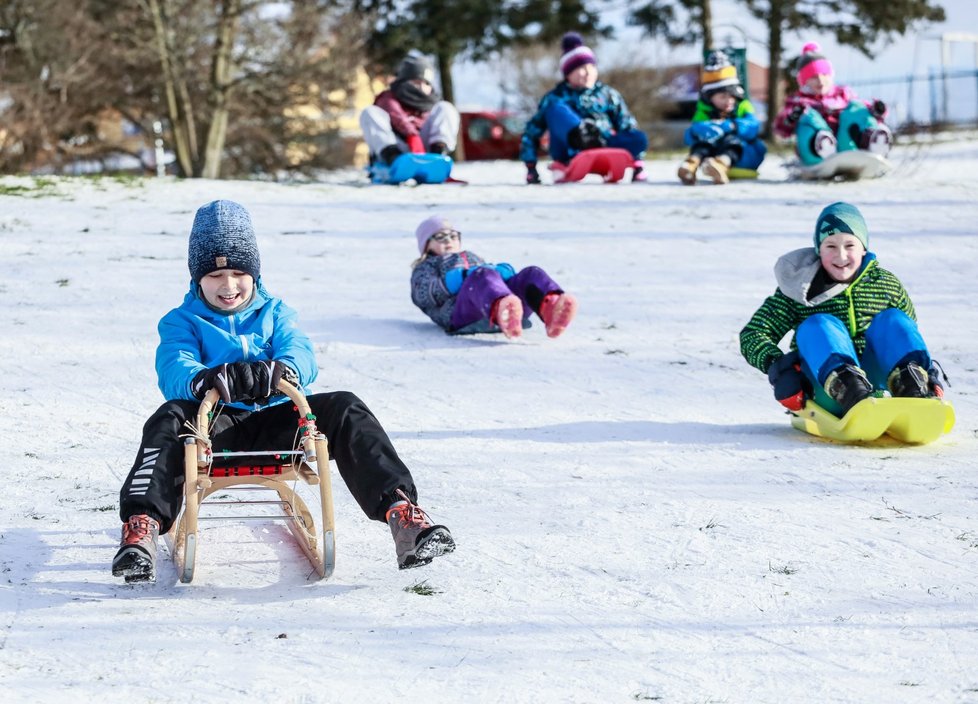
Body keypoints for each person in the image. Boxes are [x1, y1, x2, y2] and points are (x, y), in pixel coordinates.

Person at [112, 200, 455, 583]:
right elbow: (174, 365)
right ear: (197, 278)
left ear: (255, 274)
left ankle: (402, 514)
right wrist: (205, 379)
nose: (228, 286)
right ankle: (142, 526)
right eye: (214, 275)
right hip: (213, 431)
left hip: (281, 425)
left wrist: (283, 370)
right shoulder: (181, 321)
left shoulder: (276, 312)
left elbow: (301, 353)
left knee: (345, 406)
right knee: (169, 416)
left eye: (239, 273)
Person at [740, 202, 946, 418]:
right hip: (823, 388)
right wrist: (780, 368)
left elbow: (908, 334)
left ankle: (914, 390)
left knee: (894, 320)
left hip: (885, 386)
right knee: (818, 325)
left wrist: (928, 372)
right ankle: (850, 391)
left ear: (864, 248)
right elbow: (754, 334)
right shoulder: (799, 289)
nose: (841, 256)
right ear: (818, 249)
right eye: (830, 246)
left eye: (850, 245)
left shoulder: (885, 284)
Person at [410, 214, 578, 340]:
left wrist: (504, 272)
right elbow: (422, 295)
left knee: (530, 273)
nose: (448, 240)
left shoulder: (470, 256)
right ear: (426, 245)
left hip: (493, 302)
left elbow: (490, 279)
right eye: (440, 237)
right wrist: (458, 279)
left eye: (453, 235)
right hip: (459, 313)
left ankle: (550, 307)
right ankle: (501, 310)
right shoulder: (425, 266)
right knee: (482, 275)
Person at [520, 32, 649, 184]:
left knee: (638, 137)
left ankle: (597, 143)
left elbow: (625, 122)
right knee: (555, 110)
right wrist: (531, 167)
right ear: (568, 74)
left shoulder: (607, 94)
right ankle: (581, 137)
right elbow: (532, 131)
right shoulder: (556, 97)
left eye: (592, 66)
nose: (588, 72)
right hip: (569, 149)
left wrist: (637, 162)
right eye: (581, 68)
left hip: (604, 145)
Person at [773, 42, 891, 166]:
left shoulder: (843, 94)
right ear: (804, 80)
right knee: (807, 116)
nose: (820, 80)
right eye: (813, 77)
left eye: (824, 75)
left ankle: (871, 141)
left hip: (846, 145)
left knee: (855, 107)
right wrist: (792, 118)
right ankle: (822, 144)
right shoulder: (798, 101)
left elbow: (862, 111)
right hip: (814, 155)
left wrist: (876, 111)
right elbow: (780, 128)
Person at [359, 52, 460, 173]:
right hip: (398, 145)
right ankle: (393, 159)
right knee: (369, 112)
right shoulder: (389, 98)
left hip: (424, 149)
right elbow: (394, 113)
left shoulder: (433, 104)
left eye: (426, 83)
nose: (422, 88)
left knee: (446, 108)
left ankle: (437, 157)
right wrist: (411, 135)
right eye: (417, 82)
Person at [678, 50, 767, 185]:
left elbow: (753, 126)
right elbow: (689, 137)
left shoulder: (743, 107)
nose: (729, 101)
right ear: (710, 98)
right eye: (723, 97)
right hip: (712, 152)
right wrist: (698, 130)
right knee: (703, 143)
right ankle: (691, 164)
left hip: (741, 154)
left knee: (732, 141)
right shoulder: (704, 112)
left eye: (731, 97)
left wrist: (732, 126)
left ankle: (721, 164)